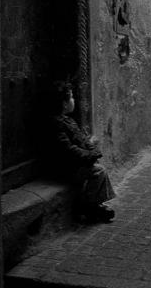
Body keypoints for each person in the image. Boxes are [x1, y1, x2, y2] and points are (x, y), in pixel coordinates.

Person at [46, 81, 115, 222]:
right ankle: (88, 206)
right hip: (65, 167)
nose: (74, 100)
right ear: (64, 104)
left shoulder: (68, 120)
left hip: (75, 163)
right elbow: (68, 150)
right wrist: (90, 156)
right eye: (71, 97)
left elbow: (83, 140)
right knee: (99, 171)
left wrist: (92, 150)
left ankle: (97, 204)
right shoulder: (57, 124)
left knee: (98, 167)